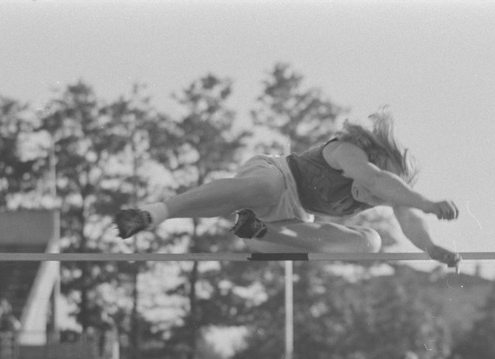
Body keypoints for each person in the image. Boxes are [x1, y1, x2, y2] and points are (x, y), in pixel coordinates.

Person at [114, 107, 461, 267]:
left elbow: (408, 216)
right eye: (370, 188)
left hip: (286, 223)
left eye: (377, 198)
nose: (367, 197)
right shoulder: (349, 152)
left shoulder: (387, 192)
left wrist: (431, 248)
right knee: (266, 188)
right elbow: (373, 179)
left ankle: (261, 233)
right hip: (276, 177)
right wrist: (430, 202)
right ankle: (154, 213)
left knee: (370, 242)